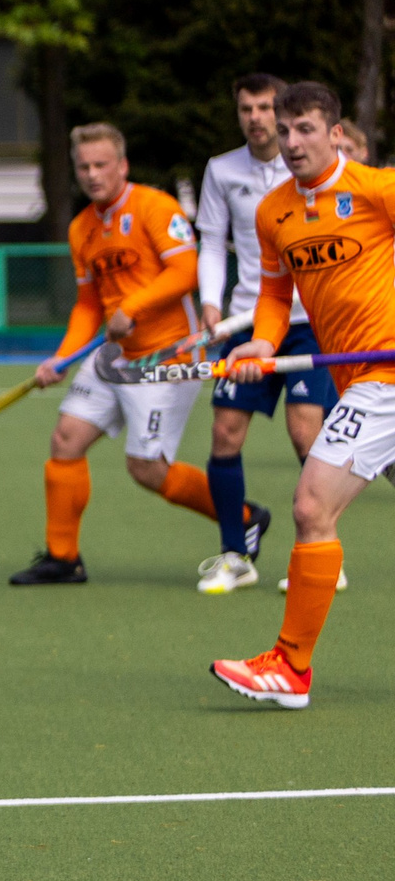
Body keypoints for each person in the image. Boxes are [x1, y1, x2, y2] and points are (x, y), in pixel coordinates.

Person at [211, 82, 395, 708]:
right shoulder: (273, 212)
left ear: (336, 133)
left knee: (313, 506)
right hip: (355, 377)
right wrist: (262, 345)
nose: (291, 142)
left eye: (305, 129)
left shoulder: (377, 191)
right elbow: (273, 296)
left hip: (385, 380)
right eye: (284, 131)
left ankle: (290, 667)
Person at [10, 122, 239, 585]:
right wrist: (62, 357)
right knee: (66, 441)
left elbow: (185, 271)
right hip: (113, 356)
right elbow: (89, 305)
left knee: (148, 471)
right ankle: (63, 558)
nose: (92, 174)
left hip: (166, 358)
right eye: (83, 167)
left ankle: (244, 517)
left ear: (122, 166)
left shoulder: (156, 207)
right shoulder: (82, 229)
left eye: (101, 165)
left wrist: (132, 308)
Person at [194, 74, 305, 594]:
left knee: (307, 434)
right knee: (224, 432)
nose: (256, 117)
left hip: (308, 322)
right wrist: (211, 306)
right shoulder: (222, 170)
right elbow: (213, 244)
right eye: (246, 108)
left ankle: (317, 551)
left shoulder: (307, 165)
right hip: (249, 320)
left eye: (265, 107)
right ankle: (235, 555)